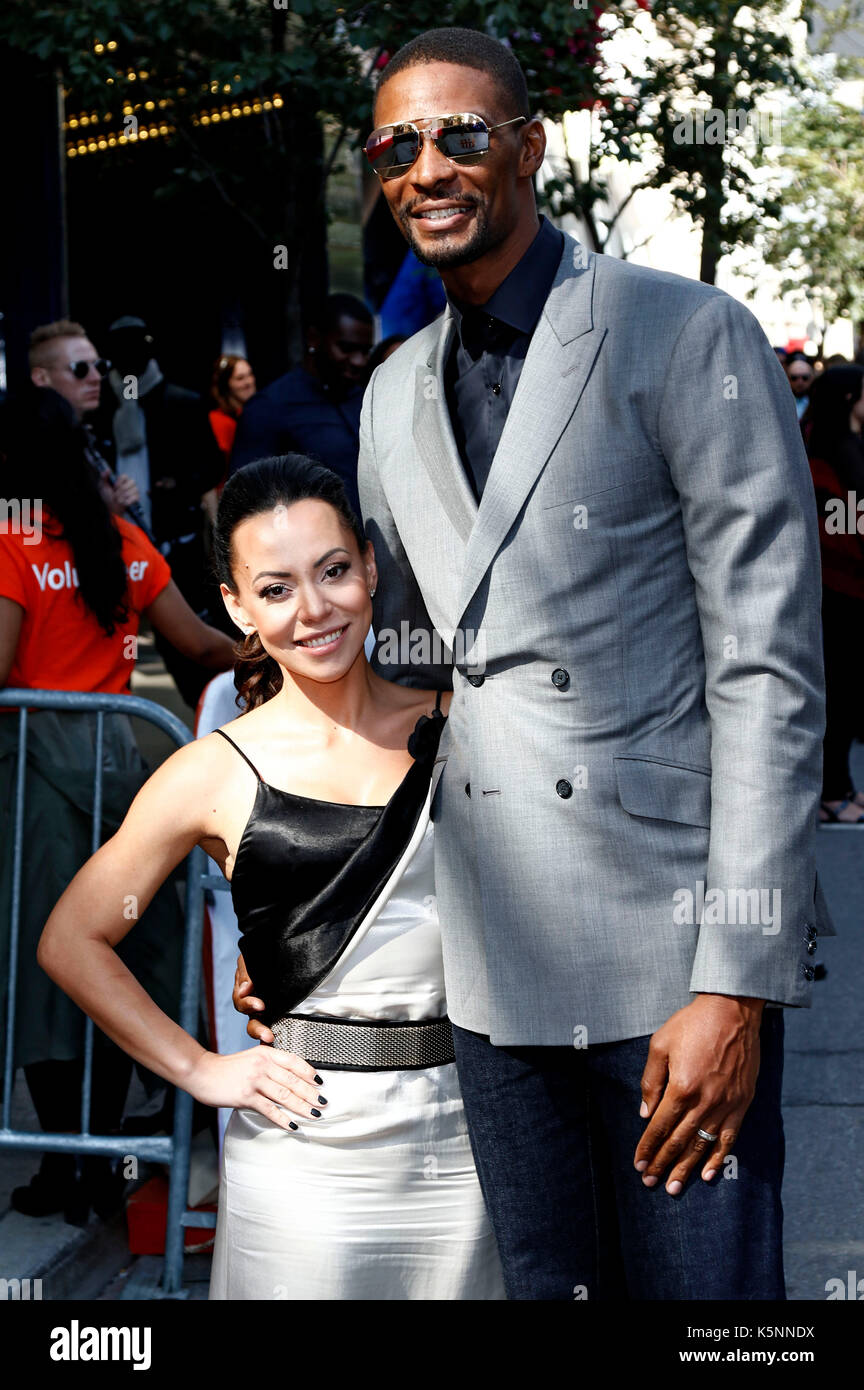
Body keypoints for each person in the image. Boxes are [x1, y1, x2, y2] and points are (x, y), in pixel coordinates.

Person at [236, 27, 833, 1301]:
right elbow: (392, 684)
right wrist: (297, 912)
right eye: (399, 145)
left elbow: (767, 673)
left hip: (670, 960)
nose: (429, 166)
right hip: (493, 969)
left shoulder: (682, 333)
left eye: (461, 134)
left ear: (529, 146)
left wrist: (734, 984)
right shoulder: (391, 391)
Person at [37, 453, 505, 1300]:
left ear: (370, 565)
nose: (315, 610)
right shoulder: (213, 771)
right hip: (302, 1154)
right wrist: (200, 1070)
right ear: (237, 607)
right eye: (278, 588)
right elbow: (73, 938)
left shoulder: (466, 724)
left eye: (333, 572)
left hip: (470, 1139)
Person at [0, 388, 236, 1222]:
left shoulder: (10, 545)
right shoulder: (124, 540)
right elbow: (201, 645)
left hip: (35, 773)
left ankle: (69, 1168)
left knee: (47, 969)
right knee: (118, 957)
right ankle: (104, 1167)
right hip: (121, 766)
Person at [91, 316, 228, 708]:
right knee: (113, 644)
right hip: (111, 542)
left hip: (171, 543)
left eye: (136, 346)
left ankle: (207, 722)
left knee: (188, 646)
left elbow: (211, 465)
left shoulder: (180, 402)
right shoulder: (99, 405)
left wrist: (177, 485)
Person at [229, 294, 374, 517]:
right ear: (314, 338)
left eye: (365, 351)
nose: (359, 361)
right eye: (346, 348)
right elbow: (248, 503)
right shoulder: (269, 408)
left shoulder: (365, 399)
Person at [803, 365, 864, 825]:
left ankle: (839, 786)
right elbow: (847, 523)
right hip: (840, 592)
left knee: (842, 695)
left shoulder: (834, 443)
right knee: (840, 695)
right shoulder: (838, 450)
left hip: (838, 589)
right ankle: (831, 791)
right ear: (848, 400)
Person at [208, 355, 257, 480]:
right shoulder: (219, 421)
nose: (249, 382)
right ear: (226, 385)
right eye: (240, 378)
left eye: (250, 374)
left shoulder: (250, 412)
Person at [786, 352, 814, 421]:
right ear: (787, 379)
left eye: (805, 378)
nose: (800, 382)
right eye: (794, 378)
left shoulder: (819, 402)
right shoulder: (780, 403)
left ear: (811, 378)